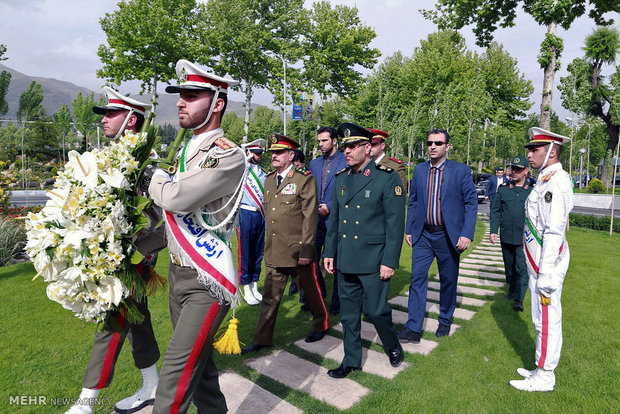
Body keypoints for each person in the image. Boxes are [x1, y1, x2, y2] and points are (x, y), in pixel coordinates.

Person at [148, 60, 246, 413]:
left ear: (217, 103)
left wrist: (153, 176)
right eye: (179, 95)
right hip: (179, 274)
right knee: (200, 369)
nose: (180, 102)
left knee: (175, 375)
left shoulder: (227, 155)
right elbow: (169, 219)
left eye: (191, 95)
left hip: (207, 280)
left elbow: (175, 198)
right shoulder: (187, 151)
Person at [65, 87, 161, 414]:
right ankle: (153, 385)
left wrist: (134, 255)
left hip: (129, 264)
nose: (104, 120)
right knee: (137, 322)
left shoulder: (145, 167)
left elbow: (165, 222)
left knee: (113, 322)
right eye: (104, 115)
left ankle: (85, 402)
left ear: (131, 120)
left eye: (111, 114)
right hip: (106, 259)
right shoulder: (107, 160)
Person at [323, 122, 405, 378]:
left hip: (373, 259)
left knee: (376, 311)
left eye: (352, 146)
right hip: (346, 258)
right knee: (348, 316)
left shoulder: (386, 177)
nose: (346, 151)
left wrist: (389, 261)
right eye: (345, 146)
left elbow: (395, 224)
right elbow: (335, 220)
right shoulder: (341, 179)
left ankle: (392, 344)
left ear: (368, 148)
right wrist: (329, 252)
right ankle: (351, 360)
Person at [241, 133, 329, 354]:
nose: (274, 156)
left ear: (291, 155)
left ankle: (321, 324)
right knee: (270, 298)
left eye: (279, 152)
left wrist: (307, 249)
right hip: (274, 251)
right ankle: (261, 339)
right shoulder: (270, 179)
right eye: (272, 153)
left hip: (297, 252)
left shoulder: (304, 178)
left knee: (311, 293)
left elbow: (310, 217)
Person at [510, 127, 573, 392]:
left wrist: (546, 272)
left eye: (534, 149)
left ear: (552, 151)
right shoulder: (545, 179)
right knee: (540, 318)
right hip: (537, 262)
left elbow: (555, 230)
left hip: (546, 265)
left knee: (547, 318)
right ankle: (540, 366)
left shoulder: (556, 182)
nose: (530, 154)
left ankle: (546, 375)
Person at [399, 128, 477, 343]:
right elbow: (413, 201)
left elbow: (471, 203)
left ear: (447, 147)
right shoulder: (420, 170)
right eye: (430, 142)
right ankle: (413, 327)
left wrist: (466, 234)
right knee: (417, 279)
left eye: (438, 143)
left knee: (448, 280)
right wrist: (409, 229)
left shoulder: (460, 171)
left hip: (448, 236)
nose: (433, 146)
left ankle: (445, 319)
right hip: (423, 235)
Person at [308, 126, 347, 314]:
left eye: (324, 140)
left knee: (338, 263)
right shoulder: (314, 164)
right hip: (315, 220)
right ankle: (317, 296)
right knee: (311, 261)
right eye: (319, 141)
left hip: (336, 219)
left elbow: (348, 189)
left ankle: (337, 303)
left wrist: (329, 206)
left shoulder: (345, 161)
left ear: (334, 141)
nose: (321, 144)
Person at [489, 155, 533, 312]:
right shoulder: (504, 190)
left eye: (518, 169)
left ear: (526, 171)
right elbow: (495, 211)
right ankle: (511, 290)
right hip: (506, 235)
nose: (513, 171)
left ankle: (519, 299)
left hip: (524, 238)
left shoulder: (533, 191)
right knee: (509, 266)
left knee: (521, 267)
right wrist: (493, 231)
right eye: (512, 169)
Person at [237, 139, 267, 306]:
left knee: (258, 252)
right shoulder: (241, 170)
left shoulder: (263, 173)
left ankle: (254, 285)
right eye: (256, 152)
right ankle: (246, 288)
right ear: (248, 152)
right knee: (245, 253)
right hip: (245, 213)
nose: (259, 155)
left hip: (260, 215)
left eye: (261, 152)